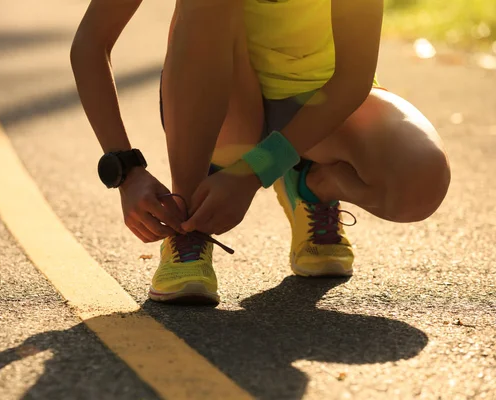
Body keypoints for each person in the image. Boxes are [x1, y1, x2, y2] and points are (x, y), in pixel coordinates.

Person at [70, 0, 451, 305]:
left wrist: (254, 173)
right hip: (222, 106)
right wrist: (127, 171)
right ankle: (187, 223)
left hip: (318, 107)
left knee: (420, 181)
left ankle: (311, 182)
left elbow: (353, 77)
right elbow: (91, 42)